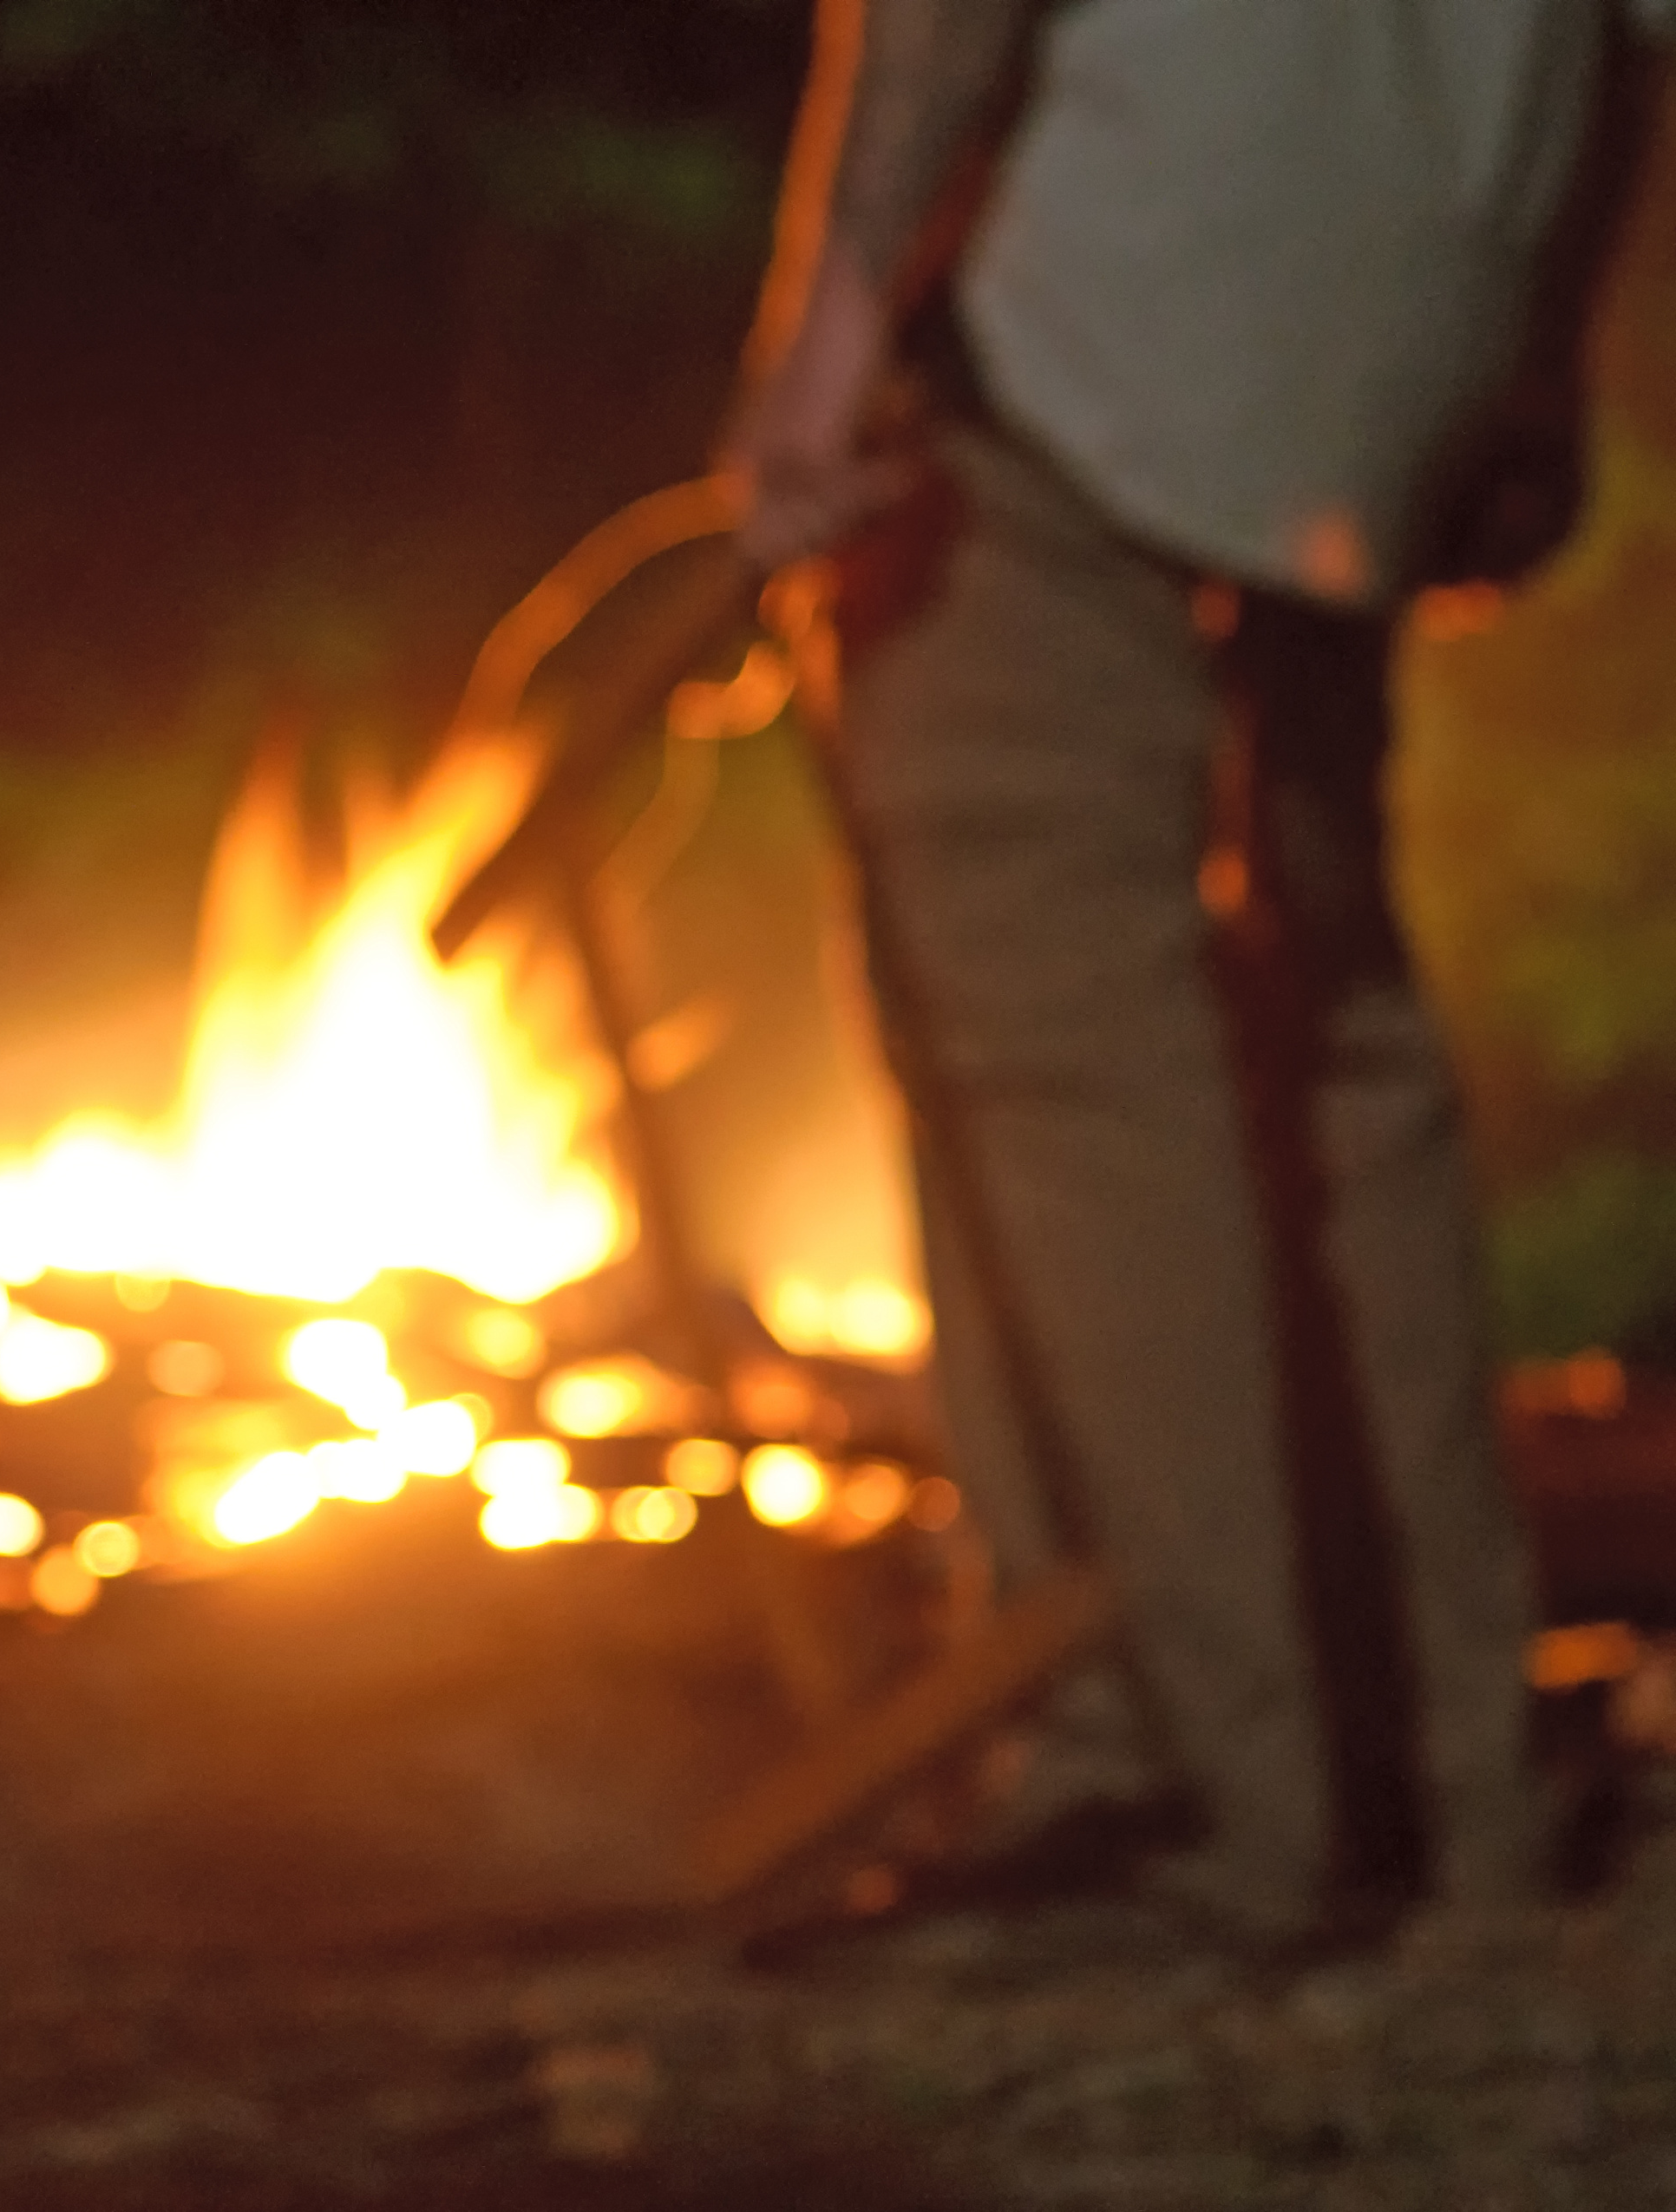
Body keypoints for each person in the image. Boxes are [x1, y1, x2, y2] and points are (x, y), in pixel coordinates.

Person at [728, 0, 1668, 1947]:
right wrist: (1532, 356)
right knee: (1333, 1034)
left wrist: (829, 329)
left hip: (1101, 316)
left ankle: (1193, 1785)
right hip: (1390, 353)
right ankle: (1448, 1776)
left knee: (1065, 1032)